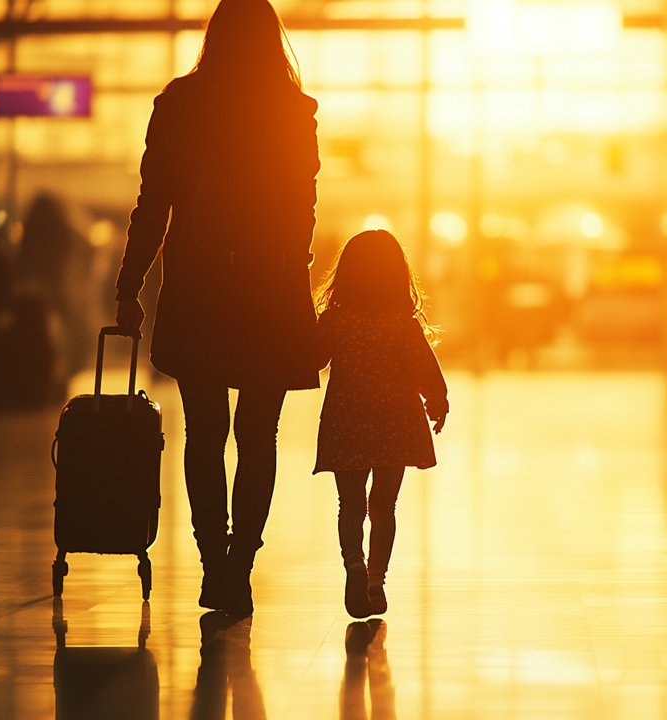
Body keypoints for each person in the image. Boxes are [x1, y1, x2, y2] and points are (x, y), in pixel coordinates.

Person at [115, 0, 321, 616]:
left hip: (199, 288)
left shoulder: (179, 105)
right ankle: (241, 563)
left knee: (203, 435)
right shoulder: (292, 111)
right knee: (259, 435)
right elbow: (302, 209)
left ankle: (213, 564)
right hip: (269, 289)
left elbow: (153, 206)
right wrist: (291, 265)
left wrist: (129, 289)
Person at [313, 230, 448, 618]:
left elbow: (314, 359)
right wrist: (438, 401)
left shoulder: (337, 320)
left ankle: (353, 563)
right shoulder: (401, 323)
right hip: (396, 419)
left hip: (347, 418)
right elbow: (425, 367)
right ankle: (375, 580)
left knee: (350, 504)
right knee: (384, 506)